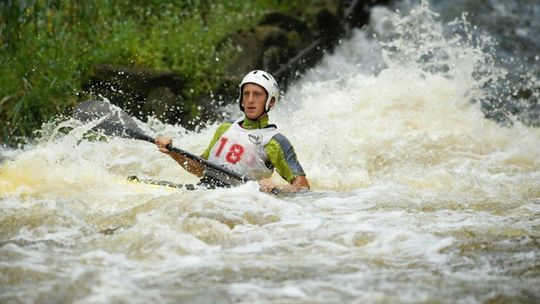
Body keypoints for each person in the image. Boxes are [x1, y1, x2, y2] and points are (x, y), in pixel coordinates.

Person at [155, 70, 310, 193]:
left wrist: (276, 188)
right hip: (204, 191)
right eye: (246, 94)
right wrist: (172, 152)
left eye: (257, 94)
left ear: (271, 101)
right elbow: (201, 168)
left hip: (237, 202)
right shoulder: (225, 128)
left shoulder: (275, 141)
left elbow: (303, 187)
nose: (250, 100)